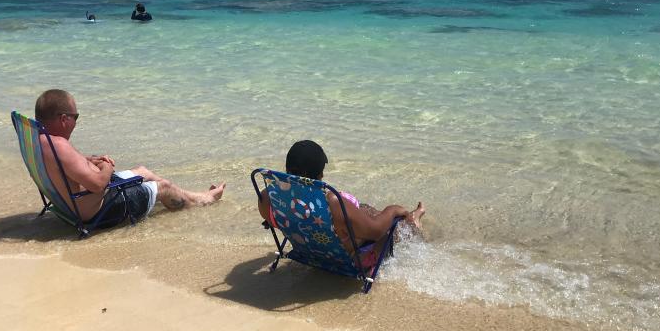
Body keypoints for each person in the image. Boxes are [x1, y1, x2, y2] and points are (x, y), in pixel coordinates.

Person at [34, 89, 224, 227]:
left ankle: (198, 197)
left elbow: (66, 164)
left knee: (143, 171)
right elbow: (98, 185)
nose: (76, 122)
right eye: (76, 117)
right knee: (164, 187)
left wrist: (90, 160)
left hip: (75, 203)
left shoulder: (41, 140)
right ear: (64, 119)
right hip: (97, 210)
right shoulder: (59, 146)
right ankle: (202, 201)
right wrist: (106, 166)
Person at [257, 140, 424, 267]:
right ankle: (412, 220)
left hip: (310, 250)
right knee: (392, 227)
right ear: (314, 173)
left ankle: (407, 216)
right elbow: (375, 232)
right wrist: (393, 210)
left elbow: (277, 222)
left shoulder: (269, 197)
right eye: (322, 169)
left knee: (363, 208)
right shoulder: (332, 202)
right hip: (344, 257)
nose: (323, 174)